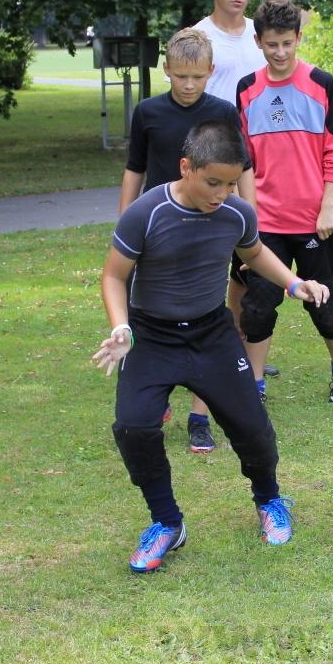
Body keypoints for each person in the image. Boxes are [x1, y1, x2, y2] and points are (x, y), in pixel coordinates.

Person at [93, 120, 330, 572]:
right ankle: (167, 523)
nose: (222, 192)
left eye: (232, 182)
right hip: (152, 335)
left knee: (252, 425)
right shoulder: (146, 212)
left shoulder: (237, 213)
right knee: (134, 427)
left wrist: (294, 282)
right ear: (186, 167)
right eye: (212, 181)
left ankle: (269, 500)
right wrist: (122, 328)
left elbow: (253, 252)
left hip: (211, 333)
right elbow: (114, 275)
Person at [117, 28, 252, 454]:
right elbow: (134, 169)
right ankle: (149, 397)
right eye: (180, 77)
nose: (189, 85)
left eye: (197, 77)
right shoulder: (148, 112)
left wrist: (250, 220)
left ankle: (199, 415)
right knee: (148, 312)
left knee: (207, 313)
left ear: (211, 72)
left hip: (212, 225)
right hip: (159, 229)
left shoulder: (224, 112)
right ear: (167, 71)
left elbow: (242, 169)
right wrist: (126, 220)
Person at [235, 0, 333, 404]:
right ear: (258, 42)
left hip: (317, 221)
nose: (280, 52)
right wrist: (246, 217)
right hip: (266, 222)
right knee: (257, 305)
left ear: (299, 38)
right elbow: (243, 161)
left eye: (287, 43)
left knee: (325, 302)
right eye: (272, 44)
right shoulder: (247, 90)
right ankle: (254, 386)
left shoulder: (321, 83)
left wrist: (327, 206)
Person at [193, 0, 280, 383]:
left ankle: (245, 340)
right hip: (215, 158)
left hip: (261, 156)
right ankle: (222, 344)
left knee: (249, 254)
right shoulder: (199, 35)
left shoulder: (258, 33)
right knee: (217, 254)